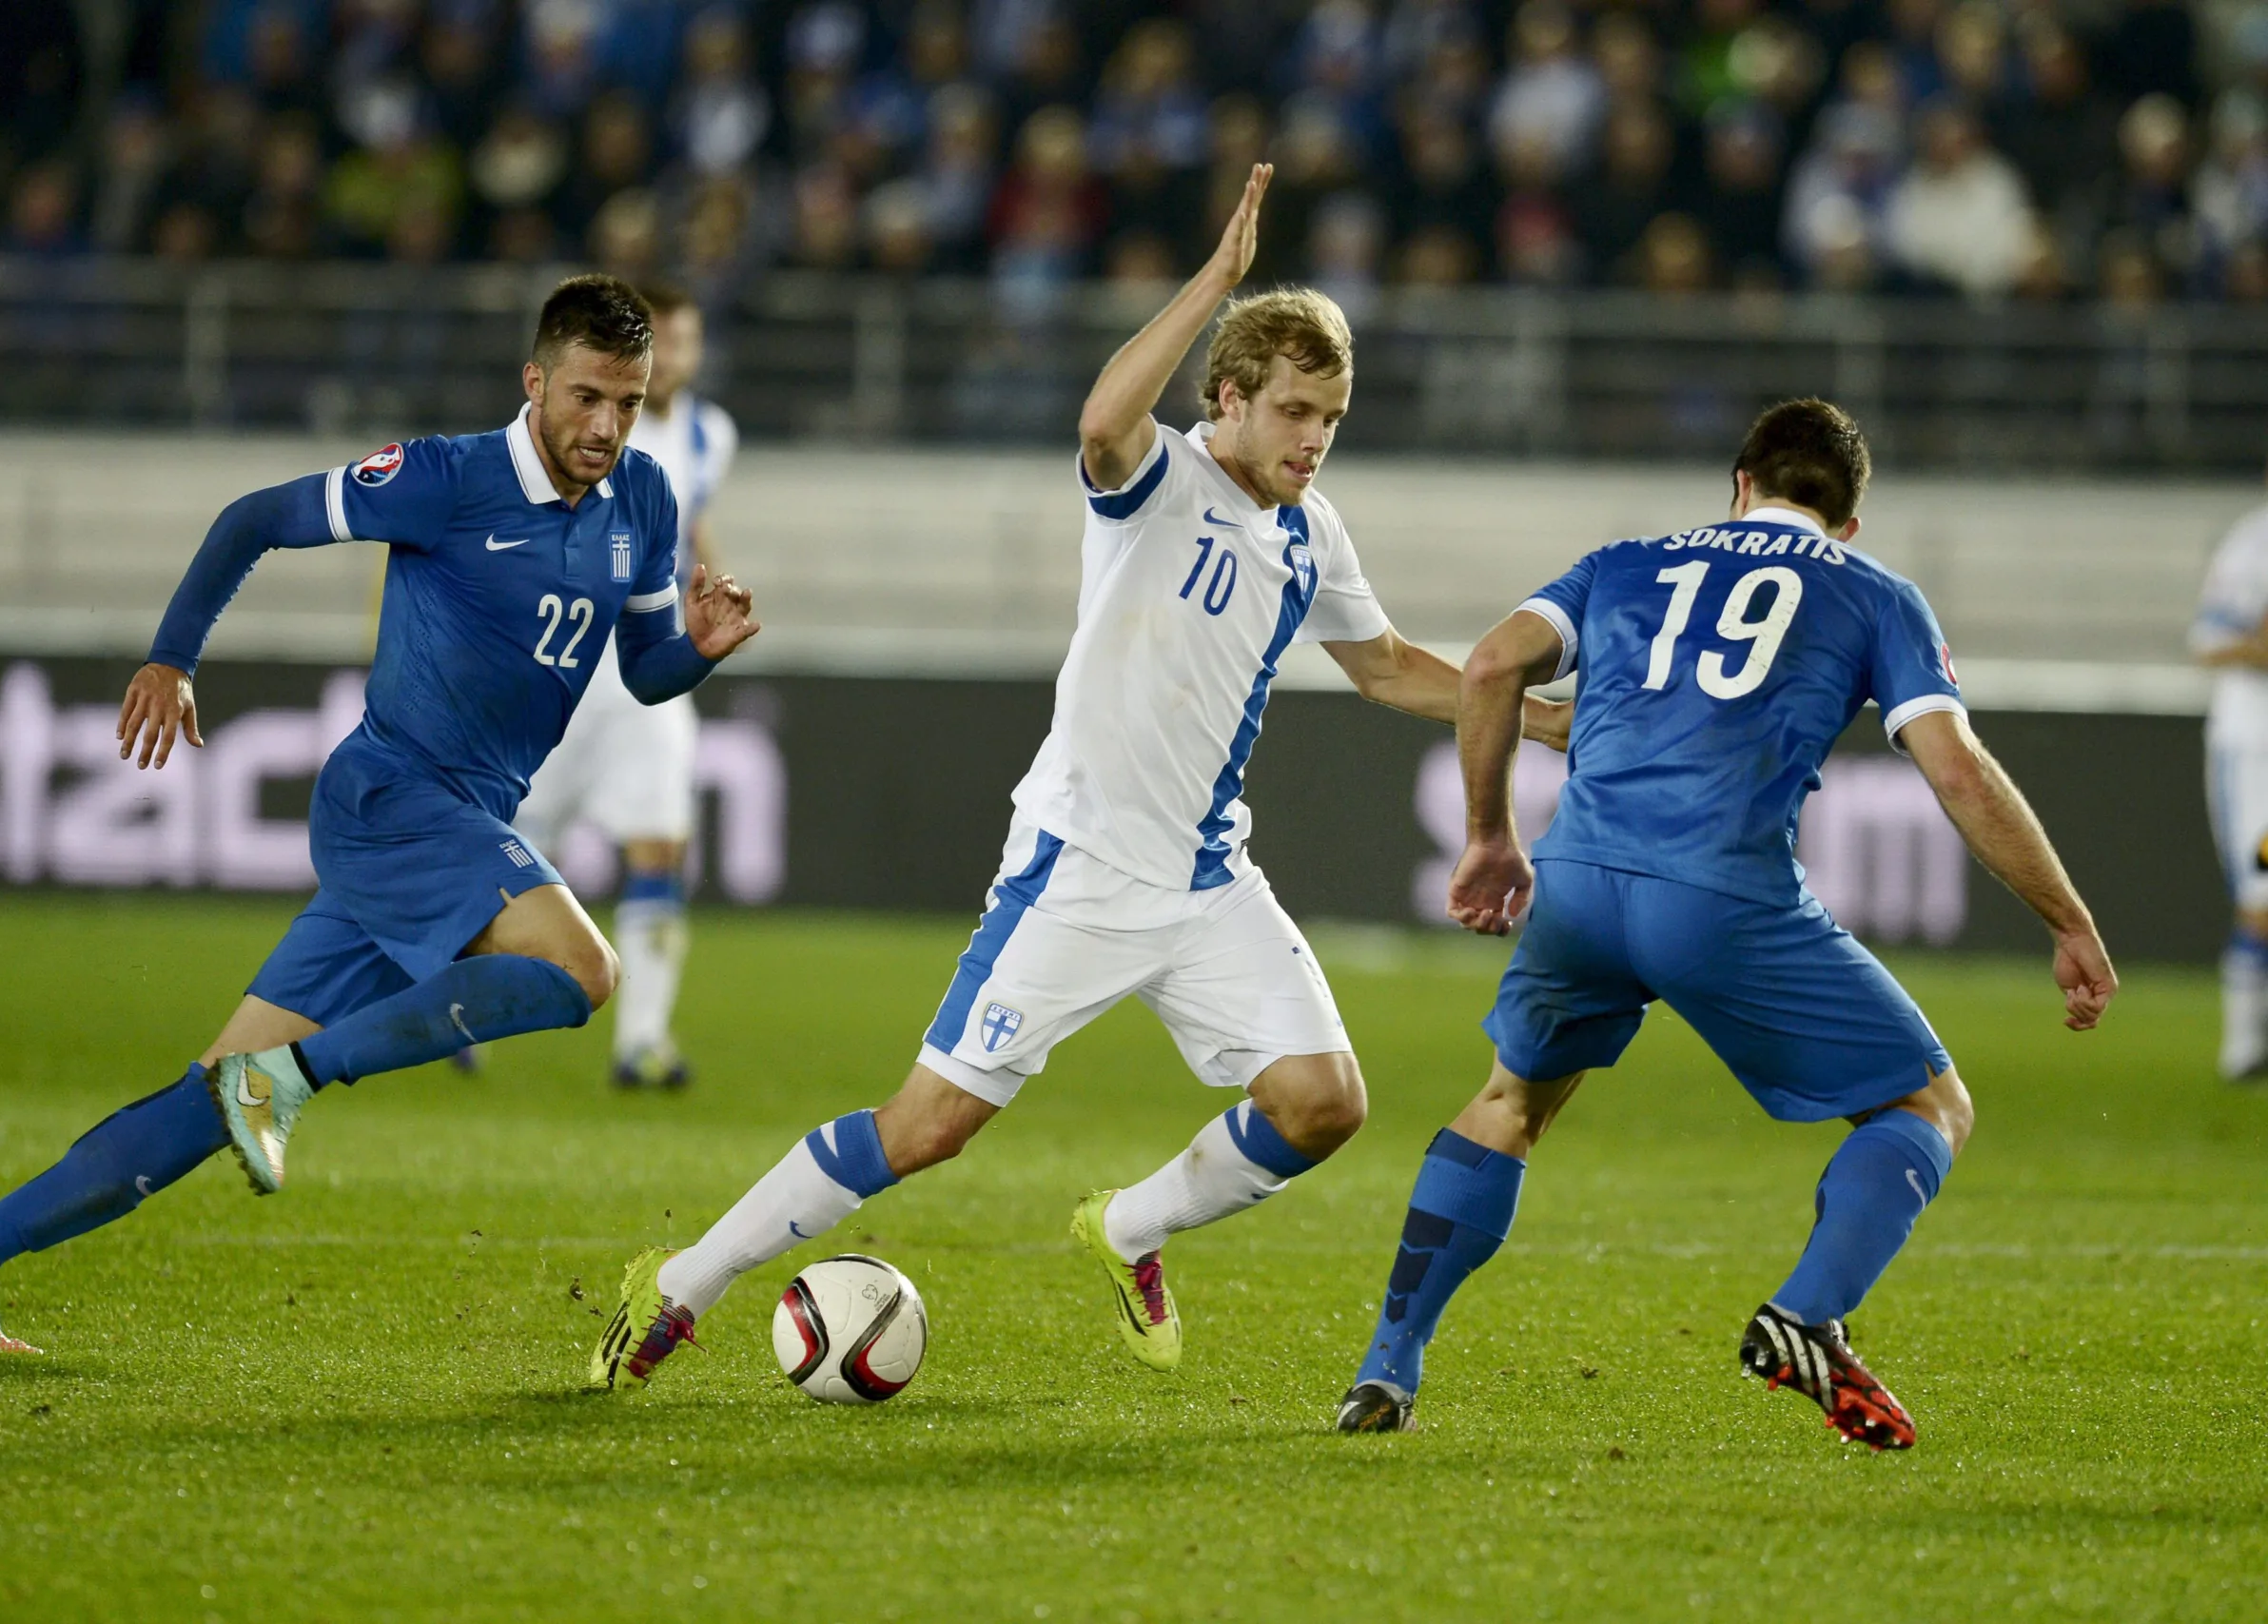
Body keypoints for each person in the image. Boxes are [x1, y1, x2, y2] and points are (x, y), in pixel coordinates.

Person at [590, 166, 1571, 1393]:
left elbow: (1381, 667)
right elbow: (1103, 423)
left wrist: (1542, 721)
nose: (1315, 439)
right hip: (1080, 867)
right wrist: (1215, 281)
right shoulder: (1158, 479)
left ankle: (1129, 1228)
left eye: (1332, 416)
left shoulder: (1308, 531)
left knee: (1324, 1104)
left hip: (1206, 877)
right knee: (926, 1129)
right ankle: (682, 1280)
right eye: (1294, 411)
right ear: (1229, 398)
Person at [0, 276, 760, 1355]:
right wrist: (171, 658)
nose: (607, 426)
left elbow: (645, 669)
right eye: (587, 397)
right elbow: (254, 518)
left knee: (210, 1093)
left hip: (457, 821)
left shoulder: (644, 497)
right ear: (534, 382)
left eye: (626, 403)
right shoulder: (445, 477)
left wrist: (698, 653)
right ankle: (293, 1078)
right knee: (585, 971)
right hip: (395, 799)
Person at [1337, 399, 2117, 1448]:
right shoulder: (1873, 592)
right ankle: (1807, 1316)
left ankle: (1386, 1368)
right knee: (1927, 1105)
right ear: (1846, 521)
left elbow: (1487, 667)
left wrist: (1488, 837)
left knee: (1509, 1102)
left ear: (1741, 484)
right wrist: (2067, 918)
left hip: (1578, 882)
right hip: (1723, 896)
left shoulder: (1624, 563)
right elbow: (1958, 772)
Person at [514, 283, 738, 1089]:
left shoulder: (712, 435)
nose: (671, 357)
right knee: (514, 843)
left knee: (662, 843)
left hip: (648, 659)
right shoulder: (577, 420)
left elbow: (688, 523)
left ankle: (642, 1039)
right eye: (660, 342)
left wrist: (714, 585)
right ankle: (461, 1003)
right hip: (563, 658)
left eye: (684, 342)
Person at [2191, 486, 2268, 1079]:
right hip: (2255, 752)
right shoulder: (2253, 544)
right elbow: (2208, 640)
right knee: (2263, 899)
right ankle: (2243, 1049)